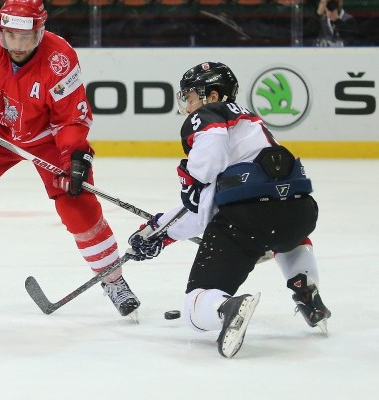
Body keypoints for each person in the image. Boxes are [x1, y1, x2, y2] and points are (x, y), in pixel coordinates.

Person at [0, 0, 140, 318]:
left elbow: (71, 119)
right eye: (11, 35)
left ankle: (114, 280)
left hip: (48, 134)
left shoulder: (60, 58)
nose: (17, 44)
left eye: (26, 36)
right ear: (1, 29)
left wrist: (74, 155)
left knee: (77, 205)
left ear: (40, 32)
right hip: (0, 130)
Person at [126, 62, 330, 358]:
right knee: (286, 237)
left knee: (196, 303)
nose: (188, 105)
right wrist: (159, 229)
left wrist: (157, 233)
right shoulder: (251, 122)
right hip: (300, 213)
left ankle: (225, 307)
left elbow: (200, 208)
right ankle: (305, 289)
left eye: (192, 96)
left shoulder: (208, 118)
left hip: (250, 219)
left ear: (212, 96)